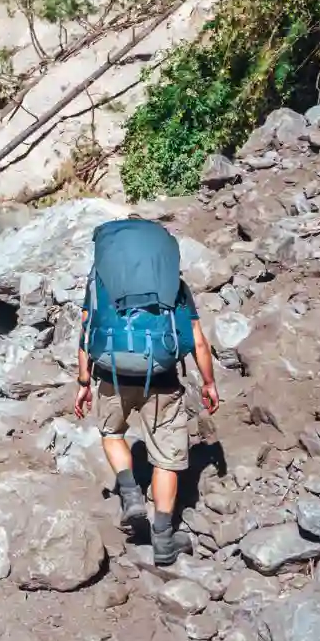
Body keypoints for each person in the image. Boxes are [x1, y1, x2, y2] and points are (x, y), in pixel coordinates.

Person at [72, 217, 220, 566]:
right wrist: (210, 382)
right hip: (163, 377)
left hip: (112, 373)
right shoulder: (174, 286)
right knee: (167, 459)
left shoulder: (100, 285)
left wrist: (83, 383)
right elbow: (197, 341)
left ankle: (130, 492)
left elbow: (85, 334)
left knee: (111, 432)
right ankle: (165, 540)